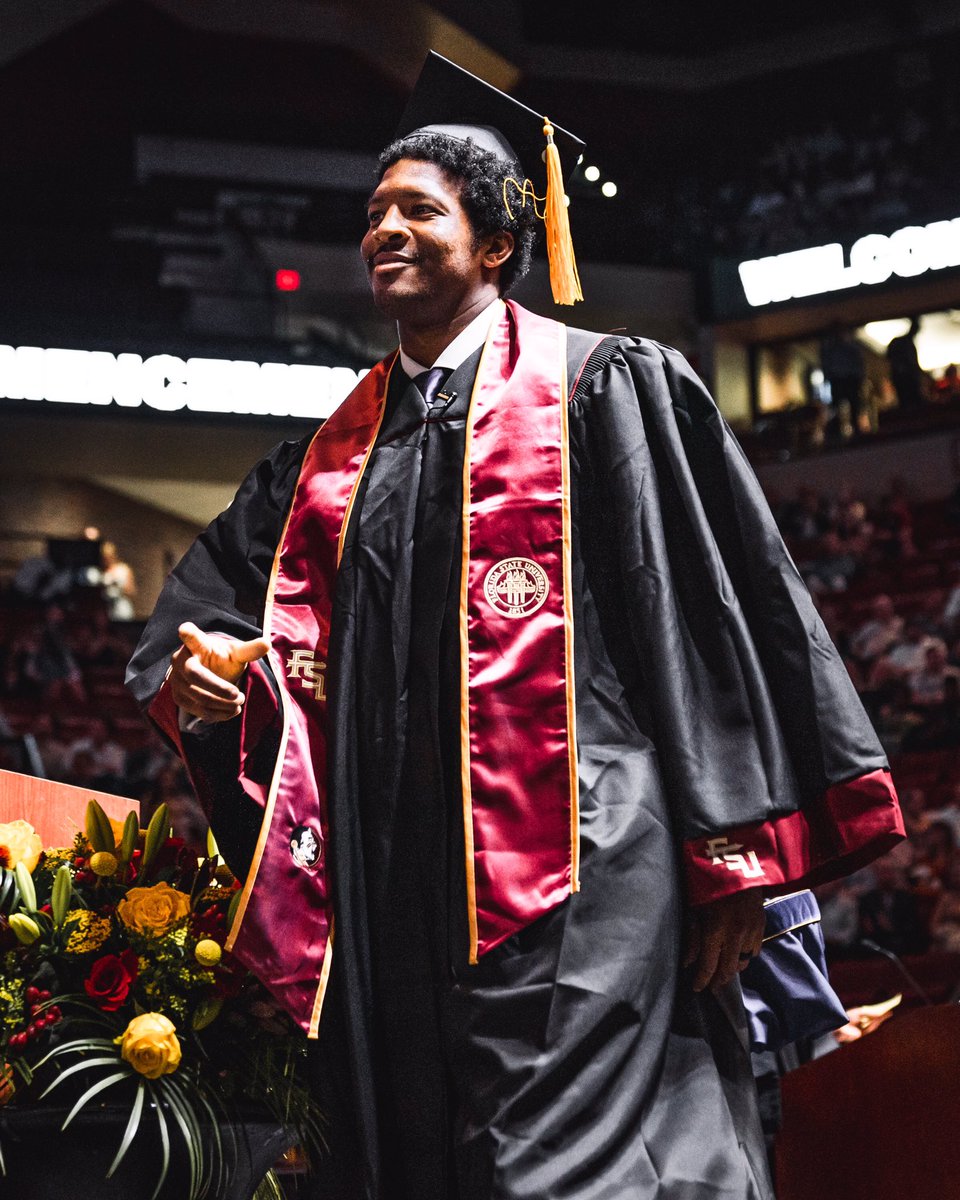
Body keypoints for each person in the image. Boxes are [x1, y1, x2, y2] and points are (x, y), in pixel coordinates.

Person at [127, 53, 903, 1200]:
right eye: (374, 213)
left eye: (417, 210)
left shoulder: (605, 388)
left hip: (583, 854)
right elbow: (204, 620)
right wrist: (207, 674)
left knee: (553, 1162)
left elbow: (704, 615)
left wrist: (734, 855)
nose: (382, 230)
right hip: (390, 871)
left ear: (496, 244)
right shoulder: (327, 460)